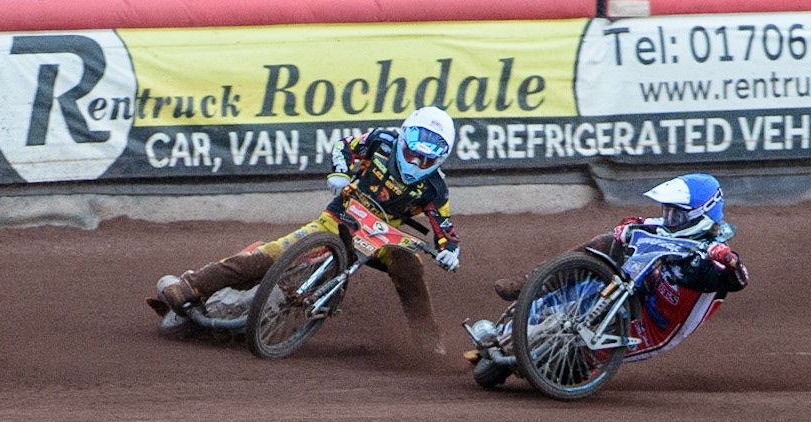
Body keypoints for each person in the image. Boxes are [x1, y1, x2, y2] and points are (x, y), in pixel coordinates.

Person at [152, 106, 461, 355]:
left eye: (427, 157)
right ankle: (191, 287)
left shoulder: (436, 188)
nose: (417, 160)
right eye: (413, 152)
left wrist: (449, 251)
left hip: (384, 239)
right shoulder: (381, 140)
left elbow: (445, 229)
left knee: (411, 267)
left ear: (441, 157)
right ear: (405, 136)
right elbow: (344, 147)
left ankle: (428, 343)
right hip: (339, 220)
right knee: (274, 252)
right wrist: (340, 173)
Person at [493, 173, 749, 360]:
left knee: (572, 356)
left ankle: (552, 363)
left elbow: (739, 279)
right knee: (608, 243)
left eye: (677, 215)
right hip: (643, 291)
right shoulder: (675, 231)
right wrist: (627, 228)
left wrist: (728, 261)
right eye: (668, 212)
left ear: (702, 216)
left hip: (655, 329)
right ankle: (536, 282)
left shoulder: (712, 260)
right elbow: (639, 224)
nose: (670, 220)